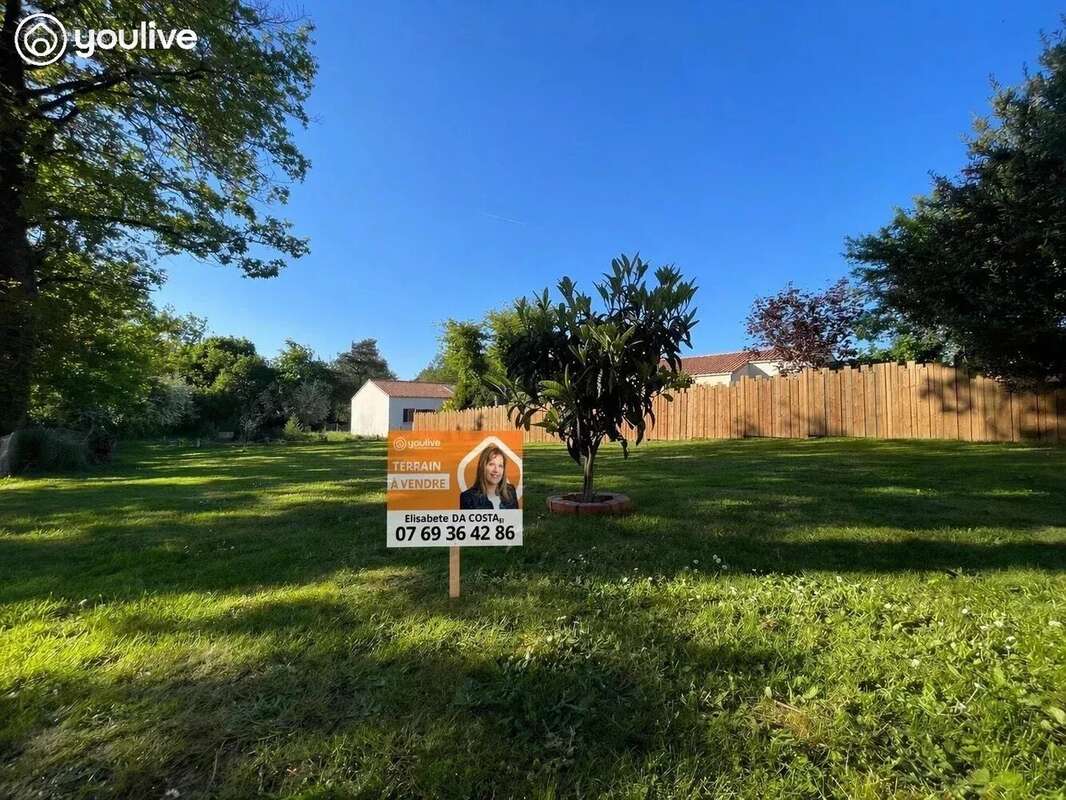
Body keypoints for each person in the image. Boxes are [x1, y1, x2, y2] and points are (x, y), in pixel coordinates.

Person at [459, 445, 519, 509]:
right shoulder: (468, 498)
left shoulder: (510, 491)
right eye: (491, 464)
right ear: (482, 467)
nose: (496, 470)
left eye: (500, 466)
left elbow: (516, 518)